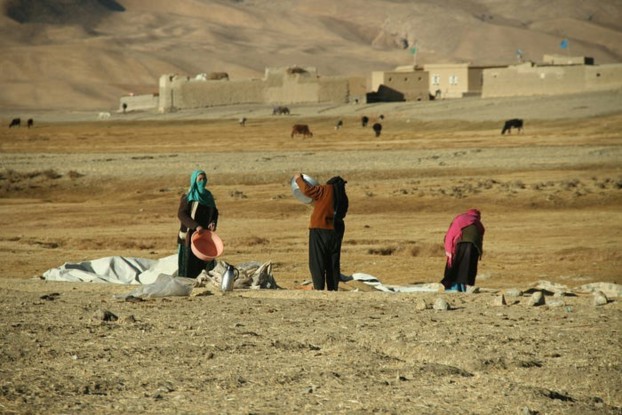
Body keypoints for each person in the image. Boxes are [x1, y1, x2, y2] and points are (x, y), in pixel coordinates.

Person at [294, 173, 348, 291]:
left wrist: (298, 179)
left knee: (317, 260)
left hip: (319, 229)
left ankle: (318, 288)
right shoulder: (342, 196)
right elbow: (342, 214)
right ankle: (332, 289)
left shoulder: (325, 190)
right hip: (336, 231)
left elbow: (307, 190)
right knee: (333, 261)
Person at [177, 170, 219, 278]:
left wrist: (213, 222)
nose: (202, 181)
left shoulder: (208, 196)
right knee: (189, 264)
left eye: (204, 179)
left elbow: (214, 212)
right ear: (194, 181)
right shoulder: (188, 197)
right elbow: (181, 214)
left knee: (205, 262)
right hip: (190, 234)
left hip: (204, 236)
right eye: (200, 179)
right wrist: (195, 226)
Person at [441, 209, 485, 292]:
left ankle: (454, 287)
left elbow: (450, 235)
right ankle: (467, 287)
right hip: (475, 247)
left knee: (457, 266)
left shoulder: (460, 219)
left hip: (461, 243)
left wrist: (449, 251)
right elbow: (481, 236)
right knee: (469, 267)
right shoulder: (478, 223)